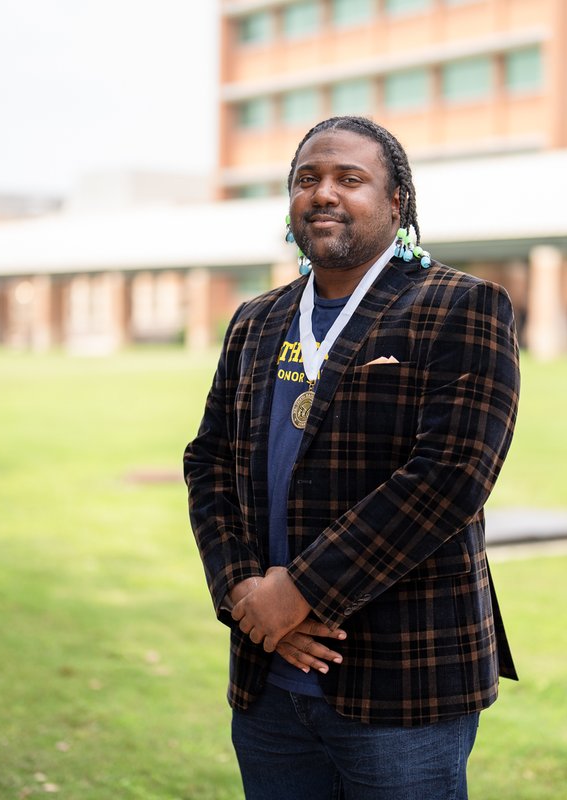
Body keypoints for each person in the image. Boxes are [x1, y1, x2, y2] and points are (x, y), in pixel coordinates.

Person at [183, 116, 520, 799]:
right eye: (307, 179)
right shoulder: (255, 320)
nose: (324, 193)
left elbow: (449, 478)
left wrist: (299, 592)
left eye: (350, 179)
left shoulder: (461, 306)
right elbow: (208, 461)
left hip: (401, 683)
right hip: (267, 676)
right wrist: (245, 594)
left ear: (396, 203)